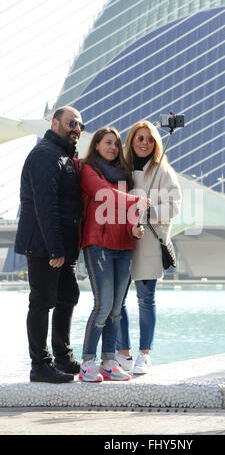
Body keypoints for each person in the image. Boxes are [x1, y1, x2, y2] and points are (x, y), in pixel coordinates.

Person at [15, 106, 84, 383]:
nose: (77, 128)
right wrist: (56, 249)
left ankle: (63, 357)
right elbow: (46, 207)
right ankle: (40, 365)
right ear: (55, 123)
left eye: (80, 124)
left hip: (61, 246)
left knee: (68, 296)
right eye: (71, 123)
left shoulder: (63, 155)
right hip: (44, 245)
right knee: (42, 301)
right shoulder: (45, 155)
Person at [78, 127, 147, 382]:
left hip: (125, 245)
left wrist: (135, 227)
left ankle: (108, 362)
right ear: (96, 145)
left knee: (117, 309)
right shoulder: (88, 170)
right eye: (108, 143)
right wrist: (136, 201)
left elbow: (128, 212)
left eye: (116, 144)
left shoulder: (124, 177)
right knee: (103, 305)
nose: (113, 148)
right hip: (99, 244)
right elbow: (103, 195)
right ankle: (87, 363)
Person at [116, 120, 181, 374]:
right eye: (139, 138)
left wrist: (149, 209)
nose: (144, 143)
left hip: (149, 244)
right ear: (131, 140)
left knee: (145, 300)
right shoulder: (120, 169)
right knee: (117, 301)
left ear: (155, 143)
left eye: (149, 139)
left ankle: (145, 354)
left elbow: (174, 207)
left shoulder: (163, 171)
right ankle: (123, 353)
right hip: (121, 242)